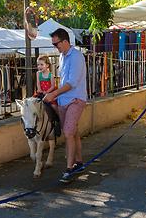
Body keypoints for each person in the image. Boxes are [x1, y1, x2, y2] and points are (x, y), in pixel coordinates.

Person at [44, 28, 87, 183]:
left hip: (75, 99)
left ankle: (69, 169)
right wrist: (52, 91)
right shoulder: (62, 57)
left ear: (65, 41)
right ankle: (79, 162)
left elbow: (72, 83)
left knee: (68, 133)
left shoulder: (76, 56)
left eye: (56, 44)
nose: (55, 47)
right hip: (64, 100)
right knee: (72, 132)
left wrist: (53, 94)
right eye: (54, 44)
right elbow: (62, 81)